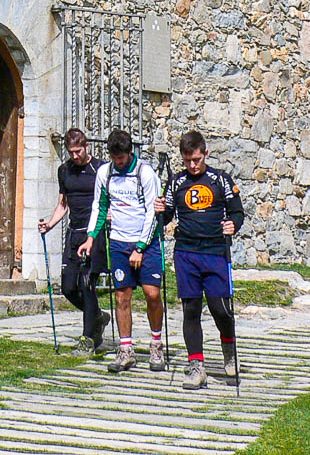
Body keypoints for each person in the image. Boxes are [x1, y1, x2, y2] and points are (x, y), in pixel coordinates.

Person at [156, 130, 244, 390]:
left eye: (196, 159)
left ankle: (229, 349)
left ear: (205, 154)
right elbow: (168, 217)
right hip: (186, 252)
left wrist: (233, 225)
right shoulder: (176, 182)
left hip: (215, 251)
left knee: (220, 309)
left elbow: (237, 211)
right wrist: (161, 211)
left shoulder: (221, 180)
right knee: (190, 309)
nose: (192, 165)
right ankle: (196, 365)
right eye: (187, 160)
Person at [80, 128, 165, 372]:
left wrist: (140, 247)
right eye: (114, 158)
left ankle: (156, 344)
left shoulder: (145, 173)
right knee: (121, 296)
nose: (118, 162)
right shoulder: (105, 173)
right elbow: (99, 205)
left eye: (122, 158)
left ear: (130, 153)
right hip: (117, 241)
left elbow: (153, 213)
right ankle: (125, 349)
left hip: (146, 243)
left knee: (151, 294)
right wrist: (90, 237)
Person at [39, 128, 107, 354]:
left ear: (86, 146)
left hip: (94, 234)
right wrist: (49, 224)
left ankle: (88, 339)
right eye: (71, 152)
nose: (75, 156)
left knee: (86, 284)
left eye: (78, 151)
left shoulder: (100, 169)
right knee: (68, 287)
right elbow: (63, 204)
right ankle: (97, 316)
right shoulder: (64, 170)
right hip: (74, 233)